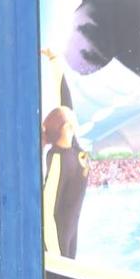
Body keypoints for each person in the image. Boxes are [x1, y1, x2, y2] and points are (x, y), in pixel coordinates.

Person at [42, 105, 89, 259]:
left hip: (71, 233)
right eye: (70, 116)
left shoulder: (78, 152)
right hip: (57, 241)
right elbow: (47, 209)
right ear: (66, 127)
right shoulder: (57, 158)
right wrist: (55, 255)